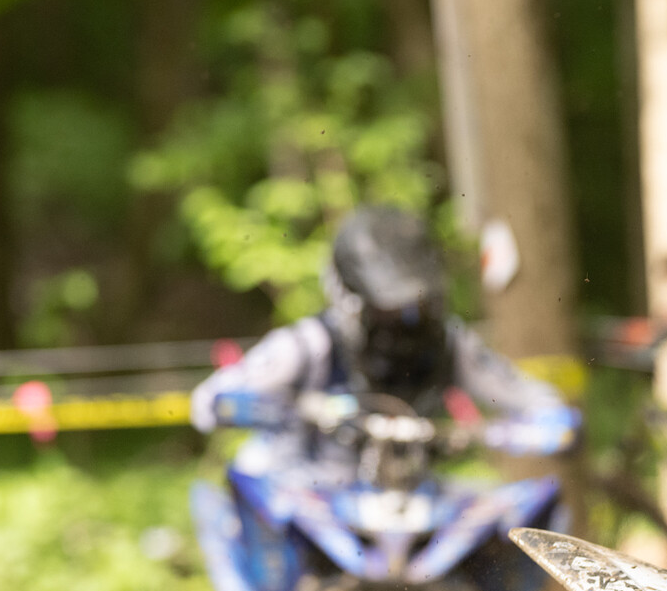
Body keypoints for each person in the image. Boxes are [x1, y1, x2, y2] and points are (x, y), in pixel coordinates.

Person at [191, 205, 577, 484]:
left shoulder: (449, 342)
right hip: (306, 497)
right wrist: (279, 407)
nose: (407, 323)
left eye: (418, 308)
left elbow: (531, 399)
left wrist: (547, 424)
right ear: (351, 301)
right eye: (391, 312)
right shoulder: (308, 346)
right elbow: (209, 402)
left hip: (405, 498)